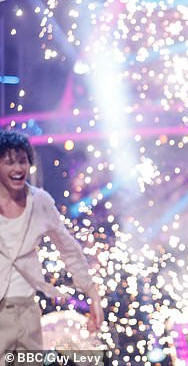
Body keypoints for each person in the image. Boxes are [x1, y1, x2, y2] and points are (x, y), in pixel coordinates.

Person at [0, 130, 104, 359]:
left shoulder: (40, 202)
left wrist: (92, 292)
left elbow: (69, 249)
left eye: (22, 161)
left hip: (26, 311)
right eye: (9, 162)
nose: (18, 168)